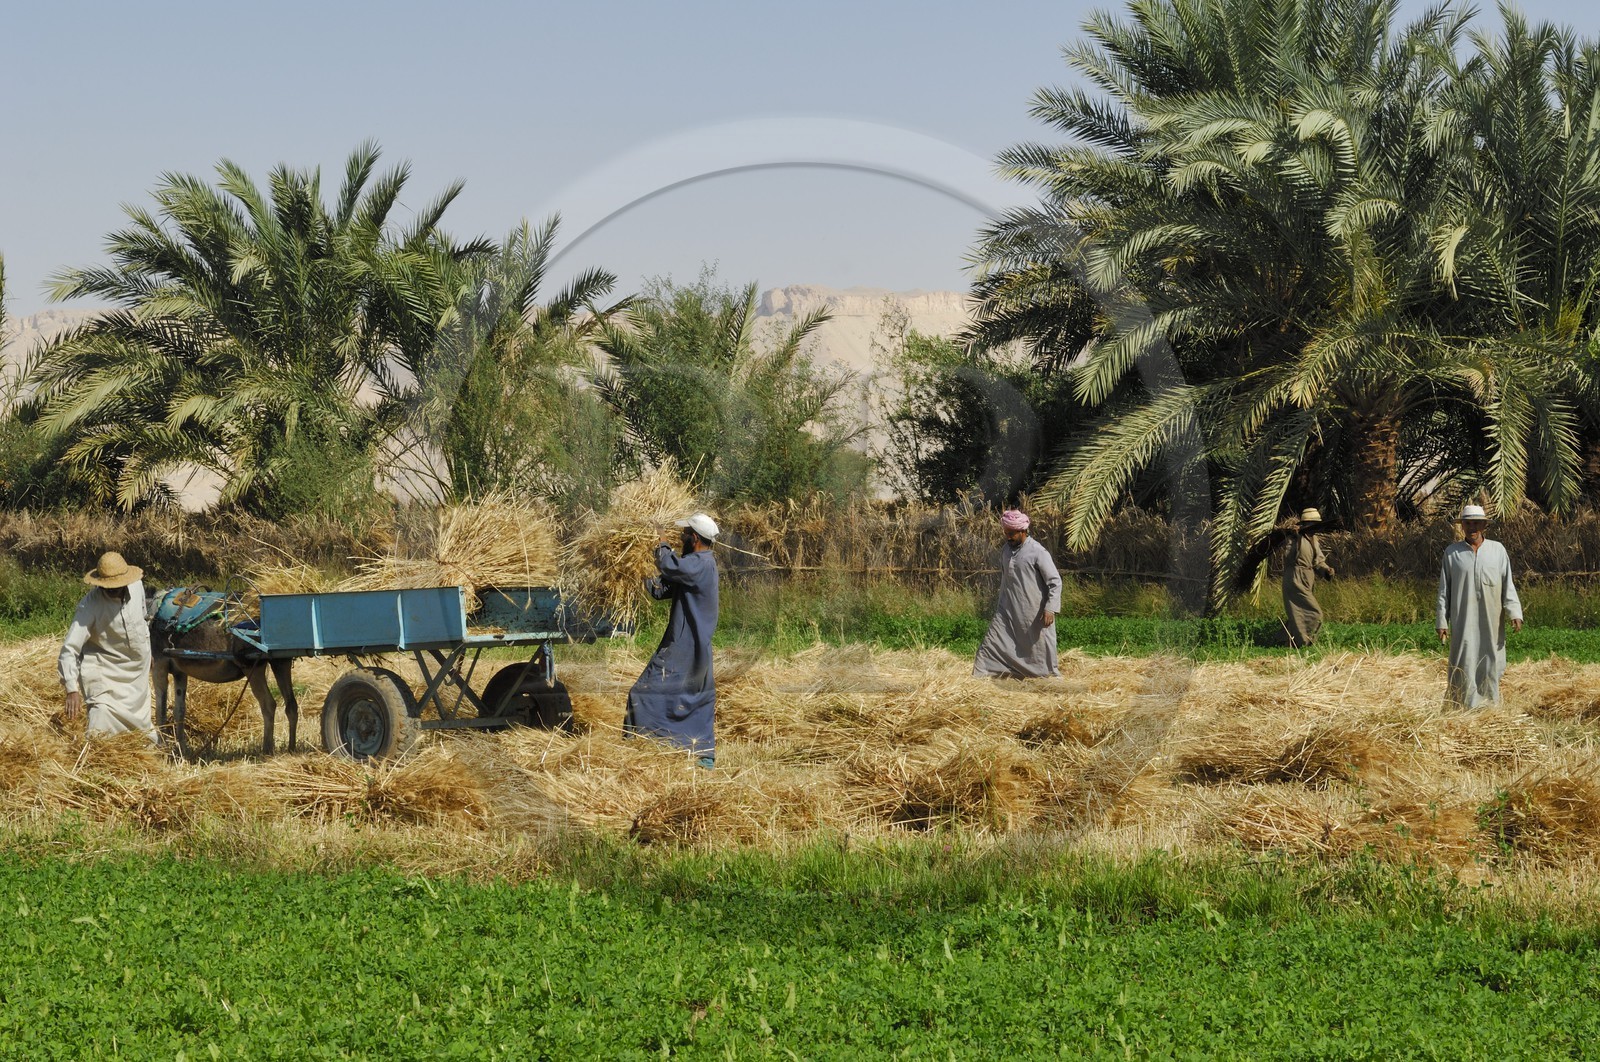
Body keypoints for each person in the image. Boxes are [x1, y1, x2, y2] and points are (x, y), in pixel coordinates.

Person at [624, 512, 720, 766]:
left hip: (685, 646)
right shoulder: (696, 565)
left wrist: (661, 541)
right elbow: (662, 588)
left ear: (695, 538)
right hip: (693, 647)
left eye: (684, 534)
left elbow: (669, 565)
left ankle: (643, 747)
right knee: (694, 698)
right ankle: (701, 754)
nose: (681, 538)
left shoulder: (700, 563)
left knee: (642, 693)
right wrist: (634, 571)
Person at [59, 551, 157, 742]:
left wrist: (148, 650)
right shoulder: (90, 606)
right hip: (105, 672)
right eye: (108, 587)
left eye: (116, 587)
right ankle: (97, 761)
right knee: (100, 721)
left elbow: (143, 619)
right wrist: (71, 689)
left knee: (142, 730)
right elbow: (69, 649)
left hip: (136, 676)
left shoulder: (137, 588)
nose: (112, 590)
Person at [1437, 503, 1523, 708]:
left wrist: (1514, 612)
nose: (1472, 527)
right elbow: (1444, 590)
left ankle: (1489, 706)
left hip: (1490, 619)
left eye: (1476, 523)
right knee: (1463, 659)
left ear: (1484, 525)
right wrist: (1442, 620)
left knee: (1489, 658)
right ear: (1462, 526)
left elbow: (1507, 584)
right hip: (1462, 619)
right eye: (1468, 523)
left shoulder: (1497, 550)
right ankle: (1462, 705)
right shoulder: (1452, 553)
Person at [973, 509, 1062, 679]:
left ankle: (1047, 678)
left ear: (1022, 531)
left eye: (1011, 533)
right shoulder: (1006, 550)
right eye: (1006, 533)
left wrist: (1050, 608)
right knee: (990, 645)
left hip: (1034, 613)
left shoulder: (1038, 552)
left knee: (1040, 649)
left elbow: (1055, 582)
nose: (1008, 537)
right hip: (1006, 610)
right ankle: (980, 678)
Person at [1282, 507, 1335, 647]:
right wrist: (1294, 537)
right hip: (1295, 577)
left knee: (1297, 612)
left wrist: (1326, 570)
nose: (1315, 526)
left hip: (1307, 579)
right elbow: (1288, 557)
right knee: (1315, 613)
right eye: (1313, 523)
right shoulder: (1294, 538)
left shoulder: (1314, 539)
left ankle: (1286, 641)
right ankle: (1304, 643)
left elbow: (1318, 561)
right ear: (1306, 524)